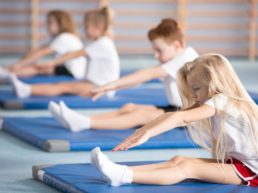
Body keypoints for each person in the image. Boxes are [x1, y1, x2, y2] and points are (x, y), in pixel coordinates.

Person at [90, 54, 258, 187]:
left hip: (251, 170)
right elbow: (173, 116)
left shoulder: (221, 100)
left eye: (196, 89)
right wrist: (140, 131)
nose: (193, 95)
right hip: (237, 163)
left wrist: (147, 133)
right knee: (178, 160)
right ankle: (121, 171)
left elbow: (180, 117)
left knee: (187, 168)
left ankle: (125, 176)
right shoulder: (220, 101)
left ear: (214, 84)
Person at [49, 18, 199, 132]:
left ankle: (85, 123)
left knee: (139, 115)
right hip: (175, 108)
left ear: (177, 45)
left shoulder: (185, 59)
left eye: (159, 50)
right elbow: (137, 81)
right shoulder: (177, 57)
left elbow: (146, 74)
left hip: (189, 116)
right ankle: (82, 120)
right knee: (129, 107)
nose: (155, 55)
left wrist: (107, 87)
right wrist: (106, 88)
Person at [9, 6, 120, 98]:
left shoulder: (103, 43)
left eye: (86, 27)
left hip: (102, 88)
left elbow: (74, 54)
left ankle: (26, 90)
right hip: (95, 84)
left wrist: (52, 63)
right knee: (63, 85)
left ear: (98, 26)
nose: (84, 30)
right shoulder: (99, 42)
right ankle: (26, 89)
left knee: (62, 87)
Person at [2, 10, 86, 79]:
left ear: (61, 24)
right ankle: (7, 72)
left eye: (50, 22)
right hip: (67, 69)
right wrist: (19, 63)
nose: (47, 25)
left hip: (73, 72)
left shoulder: (65, 37)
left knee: (38, 68)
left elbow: (40, 53)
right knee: (35, 64)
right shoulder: (57, 38)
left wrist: (18, 65)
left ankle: (6, 74)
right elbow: (36, 51)